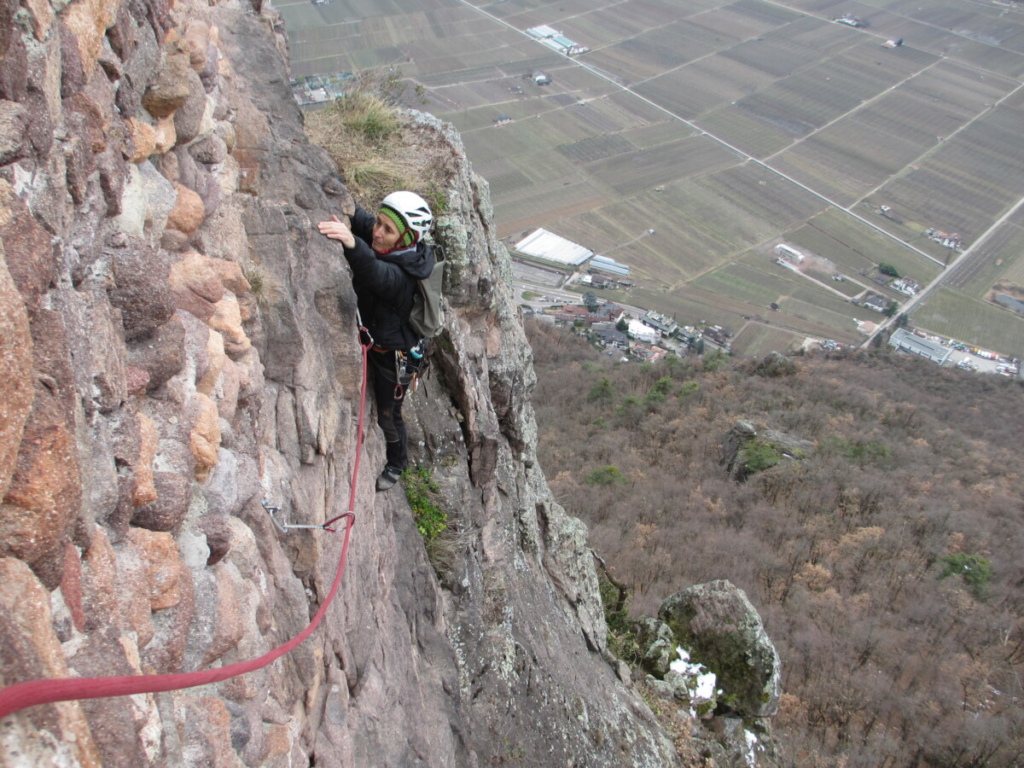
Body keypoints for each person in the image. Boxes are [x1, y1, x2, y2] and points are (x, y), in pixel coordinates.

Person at [318, 191, 435, 491]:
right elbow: (363, 220)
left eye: (388, 230)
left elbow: (375, 273)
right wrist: (340, 197)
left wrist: (351, 242)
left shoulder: (403, 275)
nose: (377, 233)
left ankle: (397, 463)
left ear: (407, 239)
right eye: (379, 223)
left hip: (392, 357)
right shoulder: (392, 241)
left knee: (388, 415)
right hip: (377, 340)